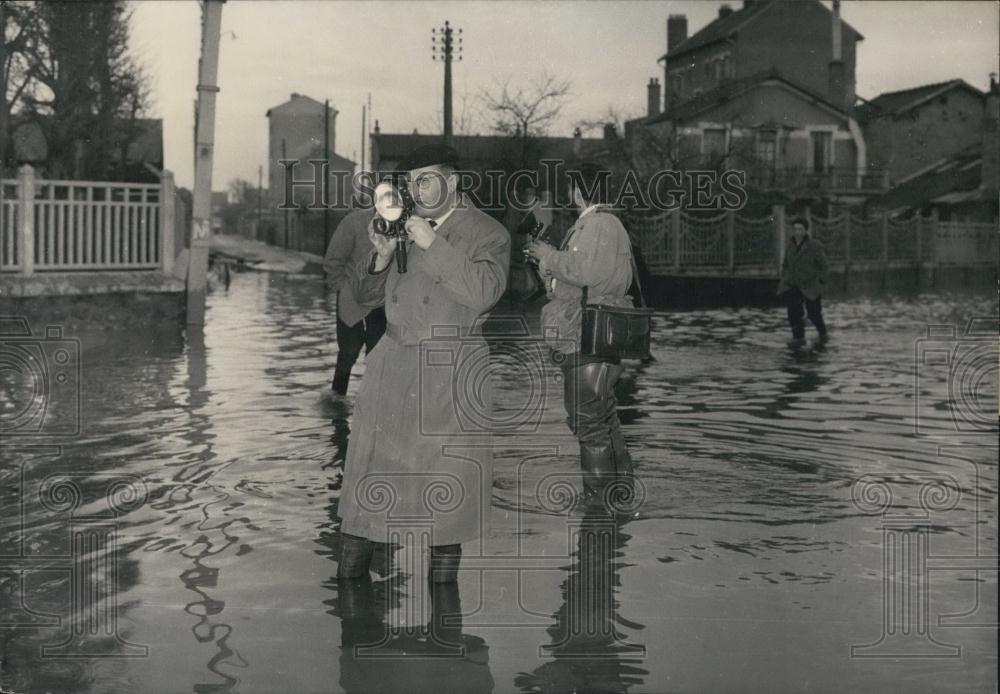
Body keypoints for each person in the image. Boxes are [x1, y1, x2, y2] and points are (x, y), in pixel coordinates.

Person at [336, 144, 511, 583]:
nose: (416, 190)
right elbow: (361, 299)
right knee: (365, 504)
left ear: (452, 183)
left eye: (426, 180)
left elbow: (484, 293)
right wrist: (379, 257)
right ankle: (352, 629)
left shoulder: (489, 233)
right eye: (410, 182)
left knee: (445, 510)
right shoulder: (399, 231)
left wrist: (432, 243)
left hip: (448, 376)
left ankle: (444, 630)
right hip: (392, 370)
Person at [525, 162, 635, 506]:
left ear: (580, 189)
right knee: (602, 418)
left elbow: (586, 270)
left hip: (586, 334)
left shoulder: (599, 222)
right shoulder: (600, 222)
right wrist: (549, 270)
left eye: (572, 186)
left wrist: (547, 255)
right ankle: (620, 494)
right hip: (593, 332)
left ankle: (599, 502)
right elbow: (580, 278)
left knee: (588, 422)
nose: (569, 194)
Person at [323, 208, 388, 396]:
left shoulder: (404, 224)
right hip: (351, 298)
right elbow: (332, 262)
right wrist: (344, 291)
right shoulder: (353, 221)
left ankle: (372, 405)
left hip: (382, 303)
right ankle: (337, 405)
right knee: (348, 353)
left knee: (378, 356)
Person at [777, 218, 829, 347]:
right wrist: (785, 278)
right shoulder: (790, 245)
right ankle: (798, 338)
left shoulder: (814, 245)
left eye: (800, 229)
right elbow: (786, 264)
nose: (797, 232)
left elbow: (824, 265)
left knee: (814, 313)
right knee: (794, 313)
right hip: (793, 284)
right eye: (795, 229)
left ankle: (823, 334)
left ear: (806, 230)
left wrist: (821, 282)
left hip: (810, 285)